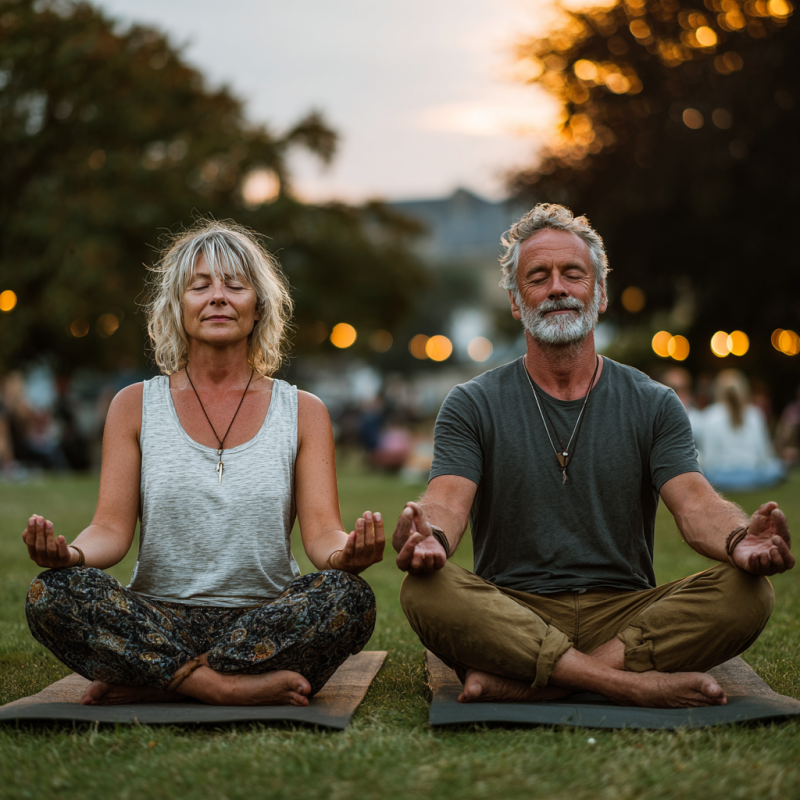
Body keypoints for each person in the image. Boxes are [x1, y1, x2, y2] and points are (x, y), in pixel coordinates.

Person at [392, 204, 794, 709]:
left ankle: (534, 684)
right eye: (537, 277)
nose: (557, 287)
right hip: (512, 611)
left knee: (749, 592)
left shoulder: (653, 401)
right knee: (424, 589)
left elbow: (694, 505)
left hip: (627, 613)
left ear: (599, 294)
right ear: (517, 303)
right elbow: (448, 500)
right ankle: (628, 684)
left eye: (573, 274)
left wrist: (740, 540)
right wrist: (430, 536)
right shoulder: (472, 402)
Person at [23, 219, 385, 707]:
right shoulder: (133, 405)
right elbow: (109, 528)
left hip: (263, 622)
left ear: (258, 307)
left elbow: (322, 535)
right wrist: (72, 558)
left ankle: (153, 677)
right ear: (178, 307)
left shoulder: (304, 411)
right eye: (200, 286)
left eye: (235, 285)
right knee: (52, 593)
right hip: (156, 618)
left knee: (351, 598)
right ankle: (220, 686)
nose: (218, 297)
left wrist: (348, 555)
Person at [697, 369, 785, 491]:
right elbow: (763, 454)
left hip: (720, 477)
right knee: (777, 466)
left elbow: (709, 459)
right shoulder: (754, 414)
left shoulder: (710, 415)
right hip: (752, 475)